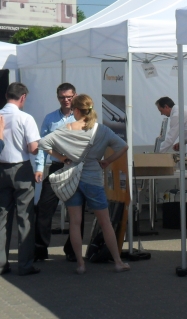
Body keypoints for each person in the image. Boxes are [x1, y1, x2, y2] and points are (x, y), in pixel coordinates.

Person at [38, 94, 130, 274]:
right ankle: (118, 262)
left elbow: (43, 143)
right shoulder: (102, 130)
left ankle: (80, 264)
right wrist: (107, 161)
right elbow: (123, 147)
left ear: (76, 110)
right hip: (93, 179)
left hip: (72, 179)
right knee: (105, 222)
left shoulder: (66, 129)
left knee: (74, 222)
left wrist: (61, 157)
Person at [34, 83, 84, 262]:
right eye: (62, 97)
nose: (66, 100)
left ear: (75, 96)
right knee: (44, 207)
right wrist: (39, 168)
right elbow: (42, 144)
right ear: (58, 98)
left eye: (69, 97)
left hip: (76, 167)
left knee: (77, 210)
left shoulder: (82, 117)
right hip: (57, 166)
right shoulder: (51, 118)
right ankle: (40, 249)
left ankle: (72, 250)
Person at [0, 82, 41, 276]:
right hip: (21, 169)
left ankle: (1, 263)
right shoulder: (26, 118)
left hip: (1, 169)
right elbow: (33, 149)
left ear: (7, 95)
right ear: (23, 97)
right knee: (25, 217)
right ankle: (25, 265)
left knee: (2, 217)